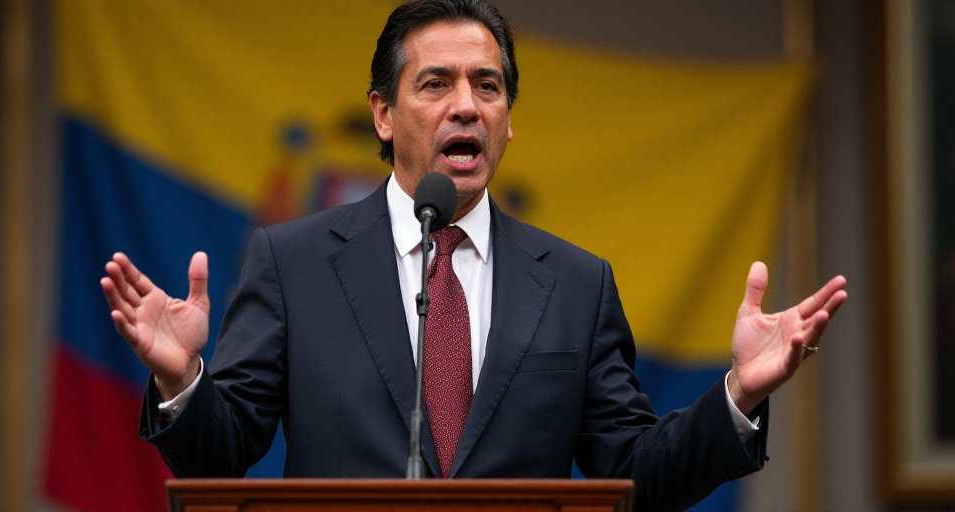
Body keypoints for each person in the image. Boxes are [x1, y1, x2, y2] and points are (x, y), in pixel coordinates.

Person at [100, 1, 847, 510]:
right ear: (383, 116)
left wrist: (739, 397)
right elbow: (223, 456)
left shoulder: (577, 284)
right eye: (436, 83)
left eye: (486, 86)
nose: (466, 104)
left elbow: (632, 476)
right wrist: (181, 381)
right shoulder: (291, 263)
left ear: (508, 121)